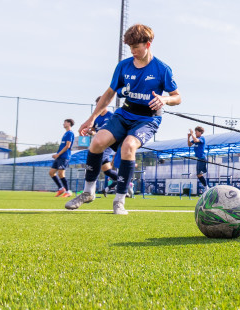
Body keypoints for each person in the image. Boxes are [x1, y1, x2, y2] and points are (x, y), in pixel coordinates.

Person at [66, 23, 181, 214]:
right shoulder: (123, 66)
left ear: (148, 44)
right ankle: (88, 193)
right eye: (130, 48)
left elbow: (177, 97)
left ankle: (119, 201)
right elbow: (110, 92)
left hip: (147, 120)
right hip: (124, 114)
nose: (133, 51)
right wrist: (92, 118)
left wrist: (165, 99)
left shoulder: (162, 69)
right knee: (97, 142)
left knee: (128, 147)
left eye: (137, 47)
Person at [89, 96, 119, 197]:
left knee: (96, 161)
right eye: (97, 104)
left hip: (108, 144)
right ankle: (122, 179)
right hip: (99, 144)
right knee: (107, 171)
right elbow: (93, 130)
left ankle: (90, 190)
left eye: (101, 103)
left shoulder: (111, 115)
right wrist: (91, 132)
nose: (98, 106)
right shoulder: (96, 117)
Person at [49, 119, 75, 197]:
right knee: (51, 173)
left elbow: (68, 146)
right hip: (59, 156)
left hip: (64, 156)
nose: (63, 124)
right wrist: (57, 154)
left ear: (69, 123)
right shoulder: (65, 133)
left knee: (61, 173)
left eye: (65, 122)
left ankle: (68, 191)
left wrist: (58, 154)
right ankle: (61, 188)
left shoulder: (70, 133)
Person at [187, 126, 210, 193]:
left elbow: (195, 140)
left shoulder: (201, 138)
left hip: (202, 158)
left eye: (196, 132)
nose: (195, 133)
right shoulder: (196, 138)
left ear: (200, 132)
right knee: (198, 174)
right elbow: (189, 144)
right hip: (199, 159)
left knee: (199, 174)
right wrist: (188, 137)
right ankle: (206, 186)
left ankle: (206, 187)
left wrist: (192, 134)